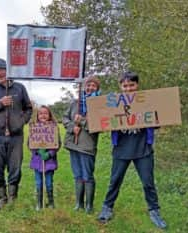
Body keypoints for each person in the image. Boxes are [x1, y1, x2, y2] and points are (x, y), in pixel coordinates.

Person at [97, 71, 167, 229]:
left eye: (131, 85)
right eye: (125, 85)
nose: (128, 88)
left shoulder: (147, 102)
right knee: (115, 181)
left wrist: (155, 117)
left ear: (137, 85)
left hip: (143, 149)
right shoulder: (113, 103)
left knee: (148, 182)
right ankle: (107, 208)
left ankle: (154, 211)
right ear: (120, 87)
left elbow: (158, 121)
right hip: (121, 148)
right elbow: (103, 120)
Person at [0, 58, 32, 210]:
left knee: (15, 168)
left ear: (8, 71)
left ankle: (13, 197)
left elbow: (28, 108)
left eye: (2, 69)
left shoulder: (20, 88)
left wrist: (23, 121)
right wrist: (0, 103)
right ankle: (1, 198)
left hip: (16, 136)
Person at [62, 76, 101, 214]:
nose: (90, 88)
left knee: (87, 175)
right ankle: (79, 204)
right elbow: (65, 118)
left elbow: (99, 126)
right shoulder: (75, 103)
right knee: (77, 175)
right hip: (74, 144)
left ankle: (89, 205)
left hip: (87, 146)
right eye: (87, 85)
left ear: (97, 88)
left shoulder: (99, 105)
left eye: (93, 86)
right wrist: (73, 126)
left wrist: (83, 122)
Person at [28, 105, 61, 211]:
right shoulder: (34, 128)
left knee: (49, 182)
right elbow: (30, 143)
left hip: (49, 162)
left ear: (50, 115)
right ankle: (39, 202)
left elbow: (57, 144)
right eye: (41, 113)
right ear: (37, 116)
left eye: (46, 113)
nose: (43, 115)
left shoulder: (54, 128)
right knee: (38, 182)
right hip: (37, 162)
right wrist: (37, 151)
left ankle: (51, 202)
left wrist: (50, 154)